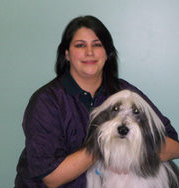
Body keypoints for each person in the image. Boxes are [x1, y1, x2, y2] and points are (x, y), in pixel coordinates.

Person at [14, 15, 179, 188]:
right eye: (80, 45)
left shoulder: (126, 93)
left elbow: (173, 146)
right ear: (67, 54)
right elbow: (52, 178)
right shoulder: (46, 102)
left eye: (97, 45)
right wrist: (102, 144)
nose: (89, 52)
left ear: (107, 53)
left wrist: (136, 146)